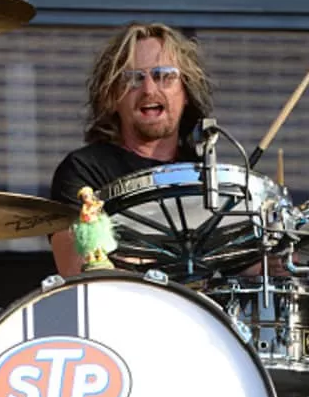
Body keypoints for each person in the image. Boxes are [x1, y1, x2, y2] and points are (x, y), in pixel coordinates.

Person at [49, 21, 213, 276]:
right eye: (133, 79)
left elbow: (244, 263)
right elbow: (77, 272)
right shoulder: (83, 172)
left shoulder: (204, 174)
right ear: (112, 96)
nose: (149, 89)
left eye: (164, 76)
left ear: (186, 92)